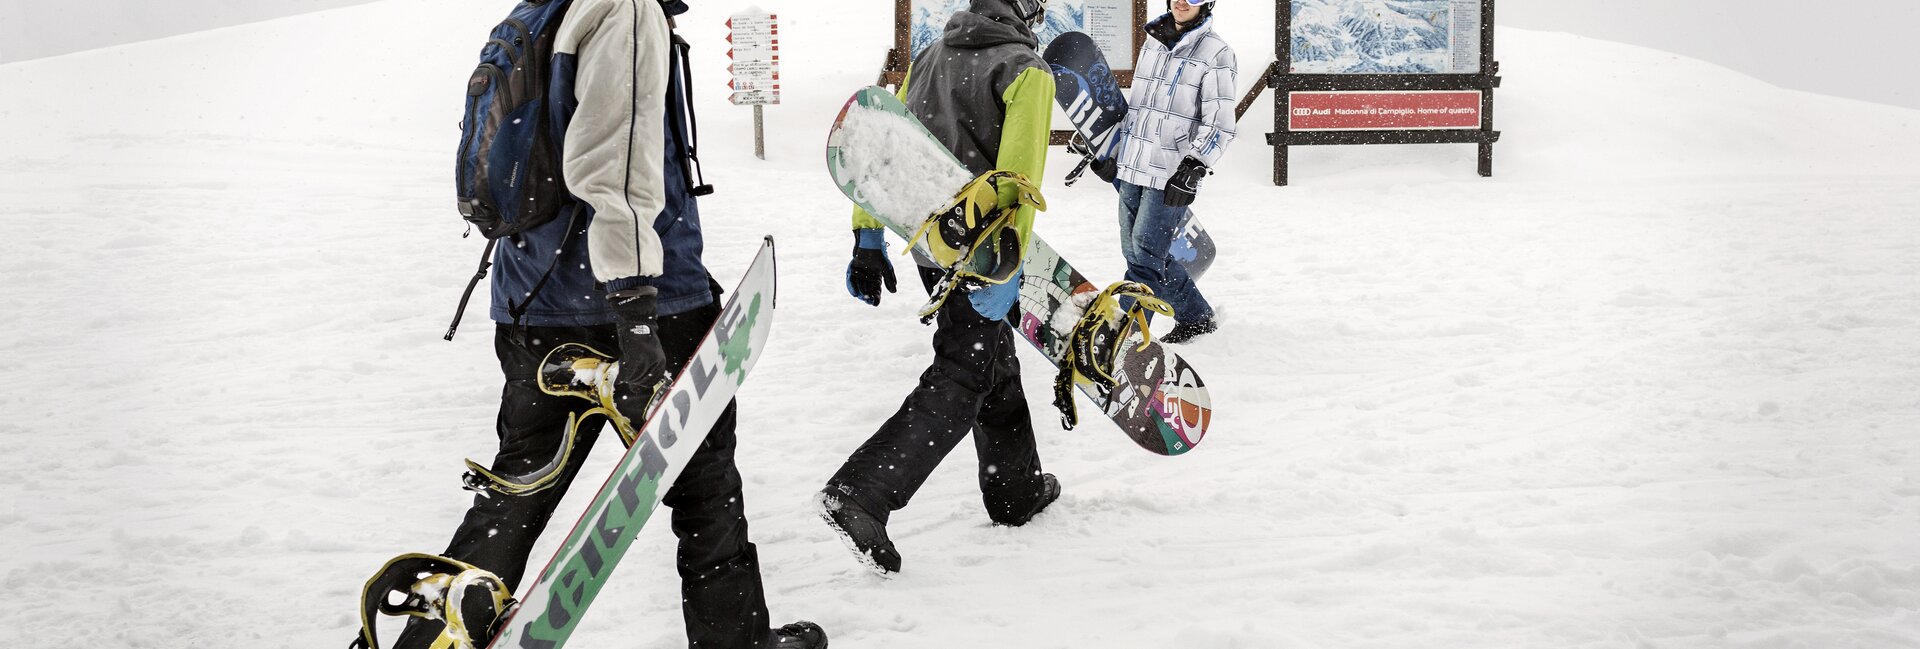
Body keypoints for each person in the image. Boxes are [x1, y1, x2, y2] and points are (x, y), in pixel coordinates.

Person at [385, 1, 824, 647]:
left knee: (520, 485)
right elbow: (611, 166)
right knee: (704, 487)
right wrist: (636, 314)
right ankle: (736, 640)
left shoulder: (545, 9)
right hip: (639, 302)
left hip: (529, 299)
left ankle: (434, 641)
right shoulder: (625, 10)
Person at [819, 0, 1061, 575]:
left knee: (990, 362)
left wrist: (867, 237)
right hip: (984, 249)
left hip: (928, 240)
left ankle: (1016, 492)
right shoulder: (1027, 70)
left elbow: (885, 152)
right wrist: (1006, 269)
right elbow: (1018, 183)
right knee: (964, 370)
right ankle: (863, 491)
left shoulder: (930, 55)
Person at [1092, 0, 1237, 344]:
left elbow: (1220, 122)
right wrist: (1114, 151)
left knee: (1144, 256)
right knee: (1137, 252)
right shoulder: (1153, 42)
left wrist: (1195, 165)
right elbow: (1138, 109)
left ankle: (1122, 337)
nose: (1182, 1)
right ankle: (1196, 316)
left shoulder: (1217, 53)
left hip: (1172, 173)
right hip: (1133, 164)